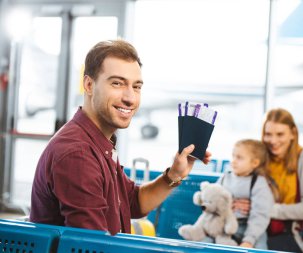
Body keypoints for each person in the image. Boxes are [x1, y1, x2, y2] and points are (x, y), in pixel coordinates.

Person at [29, 39, 211, 235]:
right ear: (89, 85)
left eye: (137, 86)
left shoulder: (97, 141)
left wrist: (175, 174)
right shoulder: (78, 154)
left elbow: (133, 201)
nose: (130, 97)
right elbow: (92, 247)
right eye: (117, 83)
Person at [233, 108, 303, 253]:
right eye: (268, 134)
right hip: (252, 226)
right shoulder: (259, 156)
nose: (273, 141)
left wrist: (262, 209)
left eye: (280, 134)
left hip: (288, 233)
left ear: (293, 133)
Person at [217, 139, 274, 249]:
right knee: (205, 242)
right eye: (233, 156)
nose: (233, 161)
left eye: (239, 158)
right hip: (224, 227)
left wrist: (249, 240)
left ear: (254, 163)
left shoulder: (259, 183)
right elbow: (211, 199)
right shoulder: (225, 177)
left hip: (250, 229)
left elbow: (260, 215)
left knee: (259, 248)